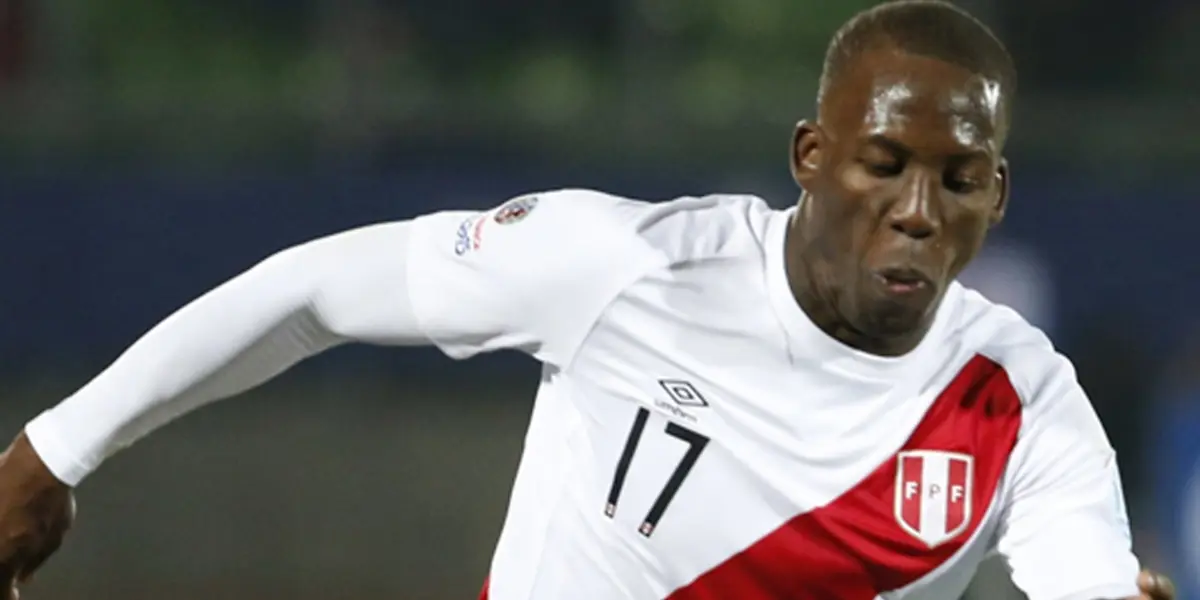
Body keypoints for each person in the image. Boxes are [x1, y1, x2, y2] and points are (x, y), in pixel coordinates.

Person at [0, 1, 1178, 599]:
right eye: (885, 164)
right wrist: (53, 452)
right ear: (811, 155)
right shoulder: (628, 267)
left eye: (960, 181)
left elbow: (1083, 576)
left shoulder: (1021, 403)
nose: (920, 208)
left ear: (999, 194)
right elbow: (317, 289)